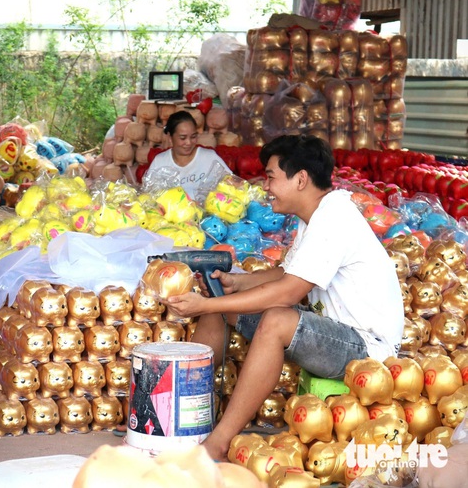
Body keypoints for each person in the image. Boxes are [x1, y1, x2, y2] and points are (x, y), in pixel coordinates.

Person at [165, 134, 404, 461]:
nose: (266, 186)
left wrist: (208, 303)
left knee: (276, 320)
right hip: (333, 334)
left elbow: (290, 290)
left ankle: (219, 440)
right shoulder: (316, 217)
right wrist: (236, 283)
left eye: (271, 176)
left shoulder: (334, 219)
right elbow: (285, 273)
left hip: (367, 347)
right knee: (226, 305)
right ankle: (185, 413)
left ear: (301, 179)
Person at [144, 110, 232, 202]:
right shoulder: (160, 162)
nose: (188, 142)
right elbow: (149, 198)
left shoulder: (209, 158)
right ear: (170, 138)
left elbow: (231, 184)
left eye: (193, 137)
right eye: (183, 138)